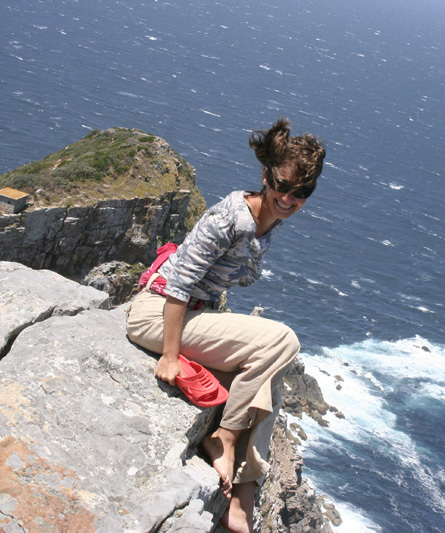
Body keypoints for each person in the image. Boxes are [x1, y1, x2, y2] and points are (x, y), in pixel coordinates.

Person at [126, 117, 325, 533]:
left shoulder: (269, 219)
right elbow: (179, 284)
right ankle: (225, 439)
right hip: (157, 313)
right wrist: (168, 356)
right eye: (282, 186)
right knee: (283, 341)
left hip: (194, 314)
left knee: (268, 381)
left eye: (301, 192)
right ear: (266, 174)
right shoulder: (229, 217)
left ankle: (246, 491)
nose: (288, 198)